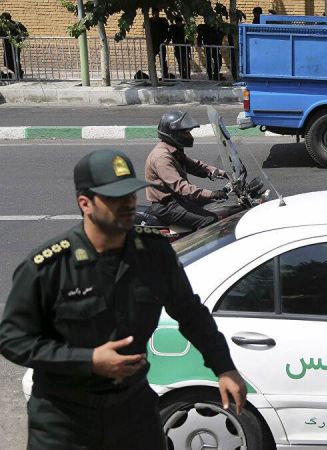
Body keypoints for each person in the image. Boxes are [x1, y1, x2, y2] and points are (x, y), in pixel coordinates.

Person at [0, 148, 246, 450]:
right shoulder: (49, 266)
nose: (128, 204)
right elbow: (12, 339)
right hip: (64, 419)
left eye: (130, 194)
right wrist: (88, 360)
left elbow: (191, 314)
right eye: (115, 198)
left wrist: (224, 367)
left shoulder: (154, 254)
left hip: (132, 411)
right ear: (85, 203)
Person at [145, 111, 228, 230]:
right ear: (173, 134)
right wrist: (211, 194)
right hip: (167, 206)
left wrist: (223, 173)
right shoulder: (162, 157)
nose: (189, 136)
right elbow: (181, 187)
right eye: (186, 133)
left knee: (219, 203)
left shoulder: (173, 150)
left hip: (179, 199)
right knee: (210, 219)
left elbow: (196, 166)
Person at [197, 8, 226, 81]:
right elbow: (199, 36)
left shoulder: (216, 27)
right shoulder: (203, 27)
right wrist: (199, 43)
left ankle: (215, 75)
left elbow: (222, 33)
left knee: (218, 61)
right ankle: (210, 76)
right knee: (209, 62)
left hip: (215, 47)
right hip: (208, 47)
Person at [1, 12, 28, 79]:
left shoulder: (16, 25)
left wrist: (19, 38)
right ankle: (13, 74)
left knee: (14, 60)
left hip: (14, 46)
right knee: (9, 61)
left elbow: (25, 33)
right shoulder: (4, 26)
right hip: (8, 46)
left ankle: (18, 74)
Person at [168, 15, 191, 80]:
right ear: (176, 22)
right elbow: (169, 36)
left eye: (180, 22)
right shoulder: (173, 28)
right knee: (180, 62)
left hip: (185, 47)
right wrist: (167, 42)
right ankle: (183, 76)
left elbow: (189, 36)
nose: (179, 24)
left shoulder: (185, 27)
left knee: (186, 62)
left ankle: (187, 76)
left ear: (181, 22)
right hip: (177, 48)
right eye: (178, 22)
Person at [150, 8, 170, 80]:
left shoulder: (163, 21)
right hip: (152, 43)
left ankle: (165, 76)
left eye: (157, 13)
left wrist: (168, 40)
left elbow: (168, 31)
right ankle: (153, 76)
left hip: (161, 43)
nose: (156, 15)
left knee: (163, 60)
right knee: (152, 60)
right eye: (154, 13)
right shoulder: (149, 21)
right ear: (152, 13)